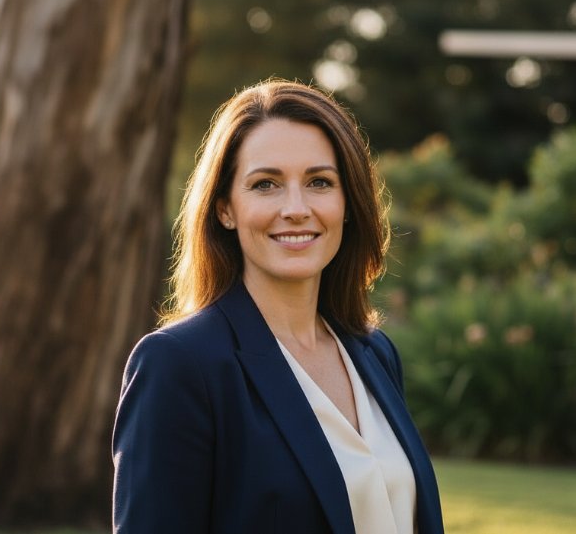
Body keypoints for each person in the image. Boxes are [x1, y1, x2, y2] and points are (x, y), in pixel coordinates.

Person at [112, 79, 445, 534]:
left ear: (347, 204)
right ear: (225, 208)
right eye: (265, 184)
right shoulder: (179, 365)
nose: (296, 208)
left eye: (319, 182)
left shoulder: (373, 353)